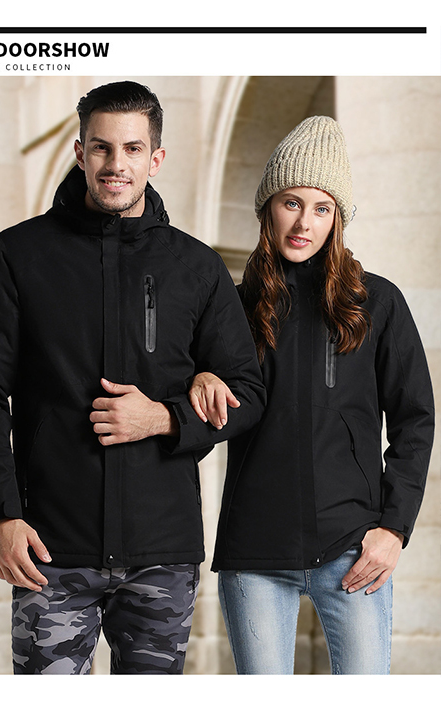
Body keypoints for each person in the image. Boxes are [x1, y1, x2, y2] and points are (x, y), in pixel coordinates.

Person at [0, 81, 265, 675]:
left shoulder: (196, 267)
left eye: (132, 149)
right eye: (101, 147)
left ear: (156, 158)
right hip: (49, 546)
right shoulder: (16, 256)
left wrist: (165, 417)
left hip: (162, 550)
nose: (115, 164)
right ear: (80, 152)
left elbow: (248, 393)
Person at [189, 115, 435, 674]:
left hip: (352, 548)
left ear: (338, 218)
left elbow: (415, 420)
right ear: (267, 208)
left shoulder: (377, 303)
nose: (304, 223)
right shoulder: (230, 306)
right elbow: (198, 405)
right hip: (254, 551)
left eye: (322, 208)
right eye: (292, 203)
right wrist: (198, 378)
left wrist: (393, 529)